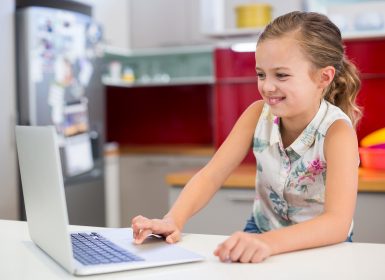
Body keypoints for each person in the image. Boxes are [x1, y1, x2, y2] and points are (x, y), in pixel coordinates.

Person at [131, 11, 361, 263]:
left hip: (321, 246)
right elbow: (212, 174)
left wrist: (267, 243)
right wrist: (172, 219)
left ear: (323, 77)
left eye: (281, 75)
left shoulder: (337, 132)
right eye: (261, 74)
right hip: (262, 233)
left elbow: (337, 223)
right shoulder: (256, 114)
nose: (267, 86)